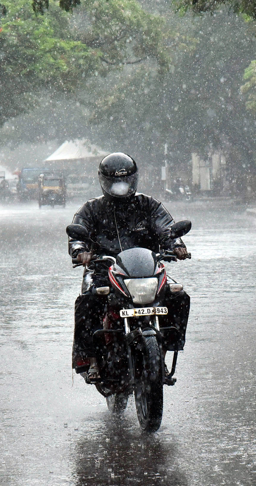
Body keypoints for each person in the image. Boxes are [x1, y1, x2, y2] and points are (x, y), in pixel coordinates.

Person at [68, 152, 190, 381]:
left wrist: (176, 245)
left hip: (146, 271)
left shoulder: (149, 205)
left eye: (125, 181)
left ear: (133, 179)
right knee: (88, 300)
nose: (121, 186)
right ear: (105, 181)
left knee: (178, 295)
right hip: (103, 270)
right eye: (116, 181)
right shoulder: (91, 209)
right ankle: (90, 359)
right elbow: (77, 234)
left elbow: (167, 228)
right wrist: (80, 251)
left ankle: (164, 352)